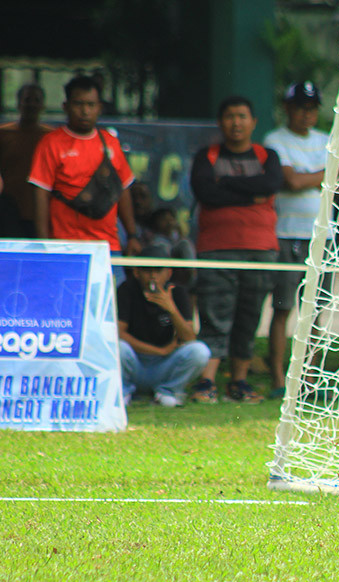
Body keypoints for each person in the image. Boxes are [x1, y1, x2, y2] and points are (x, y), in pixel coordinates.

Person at [188, 96, 283, 404]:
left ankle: (239, 382)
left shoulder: (267, 155)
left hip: (260, 250)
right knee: (215, 315)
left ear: (253, 122)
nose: (236, 122)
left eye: (242, 116)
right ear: (220, 122)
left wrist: (225, 184)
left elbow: (270, 184)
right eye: (230, 116)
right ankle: (207, 381)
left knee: (249, 316)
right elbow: (205, 192)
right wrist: (249, 193)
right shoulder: (207, 156)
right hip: (216, 248)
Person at [28, 75, 142, 280]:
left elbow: (123, 190)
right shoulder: (51, 143)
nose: (85, 110)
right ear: (65, 106)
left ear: (99, 107)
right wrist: (43, 244)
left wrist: (132, 235)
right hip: (63, 246)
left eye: (91, 104)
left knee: (108, 309)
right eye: (78, 104)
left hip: (108, 247)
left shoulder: (111, 143)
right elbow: (40, 195)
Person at [263, 82, 327, 400]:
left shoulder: (328, 139)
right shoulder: (275, 140)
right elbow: (290, 179)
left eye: (312, 107)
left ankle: (310, 383)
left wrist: (307, 177)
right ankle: (278, 378)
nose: (307, 113)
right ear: (288, 108)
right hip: (286, 235)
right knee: (283, 308)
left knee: (314, 312)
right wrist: (322, 175)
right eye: (301, 107)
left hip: (320, 237)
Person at [117, 245, 211, 407]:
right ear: (137, 272)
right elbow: (119, 333)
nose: (153, 276)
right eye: (147, 270)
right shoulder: (127, 289)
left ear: (168, 273)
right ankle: (124, 391)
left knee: (200, 351)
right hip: (136, 360)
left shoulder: (178, 292)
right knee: (118, 347)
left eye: (158, 270)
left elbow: (189, 337)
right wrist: (159, 351)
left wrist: (171, 309)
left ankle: (168, 391)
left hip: (165, 364)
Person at [0, 83, 53, 238]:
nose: (31, 104)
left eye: (36, 100)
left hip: (43, 212)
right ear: (18, 103)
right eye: (27, 99)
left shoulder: (51, 137)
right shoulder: (4, 134)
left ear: (42, 105)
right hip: (8, 211)